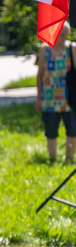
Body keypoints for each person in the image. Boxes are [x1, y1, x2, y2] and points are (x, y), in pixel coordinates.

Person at [35, 21, 76, 162]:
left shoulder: (72, 49)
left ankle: (69, 159)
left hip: (69, 99)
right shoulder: (44, 49)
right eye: (61, 35)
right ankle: (52, 159)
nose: (64, 38)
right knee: (51, 131)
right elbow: (40, 75)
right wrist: (39, 98)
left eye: (66, 34)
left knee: (72, 130)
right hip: (49, 98)